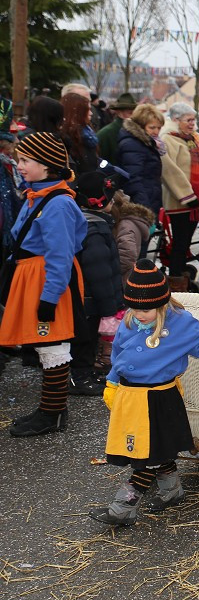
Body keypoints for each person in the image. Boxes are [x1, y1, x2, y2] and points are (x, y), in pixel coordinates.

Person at [91, 261, 199, 525]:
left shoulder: (182, 323)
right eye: (134, 307)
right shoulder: (129, 320)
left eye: (146, 308)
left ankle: (123, 508)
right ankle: (172, 491)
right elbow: (119, 357)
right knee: (156, 450)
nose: (139, 314)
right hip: (130, 397)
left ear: (162, 303)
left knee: (146, 457)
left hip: (159, 399)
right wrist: (112, 383)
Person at [1, 133, 87, 437]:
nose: (19, 165)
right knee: (44, 342)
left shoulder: (57, 203)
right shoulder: (37, 194)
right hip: (32, 276)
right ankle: (52, 409)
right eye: (19, 159)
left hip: (47, 279)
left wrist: (50, 297)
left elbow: (61, 254)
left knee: (53, 341)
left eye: (26, 161)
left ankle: (52, 414)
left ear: (47, 165)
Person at [70, 171, 124, 395]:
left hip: (92, 297)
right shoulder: (94, 230)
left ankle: (86, 372)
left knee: (89, 338)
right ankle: (78, 378)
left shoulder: (95, 224)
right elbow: (98, 271)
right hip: (90, 298)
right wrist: (109, 305)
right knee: (85, 338)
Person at [161, 103, 199, 288]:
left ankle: (181, 272)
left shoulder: (196, 138)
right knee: (180, 243)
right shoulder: (167, 139)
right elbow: (169, 171)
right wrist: (187, 196)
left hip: (196, 200)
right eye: (188, 120)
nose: (192, 124)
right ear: (175, 120)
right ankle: (175, 280)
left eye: (193, 119)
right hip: (179, 201)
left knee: (186, 242)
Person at [116, 104, 166, 214]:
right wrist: (145, 209)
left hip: (149, 197)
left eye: (159, 128)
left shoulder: (146, 143)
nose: (156, 132)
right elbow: (133, 179)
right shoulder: (133, 144)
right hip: (142, 203)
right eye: (152, 127)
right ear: (140, 126)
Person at [109, 190, 153, 280]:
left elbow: (127, 257)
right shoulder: (125, 223)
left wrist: (108, 271)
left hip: (122, 280)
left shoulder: (125, 226)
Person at [60, 92, 100, 174]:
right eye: (87, 110)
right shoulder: (66, 138)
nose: (91, 113)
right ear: (77, 112)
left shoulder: (87, 135)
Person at [95, 93, 137, 165]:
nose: (133, 116)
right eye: (130, 113)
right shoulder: (106, 134)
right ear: (118, 112)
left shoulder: (138, 131)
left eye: (135, 113)